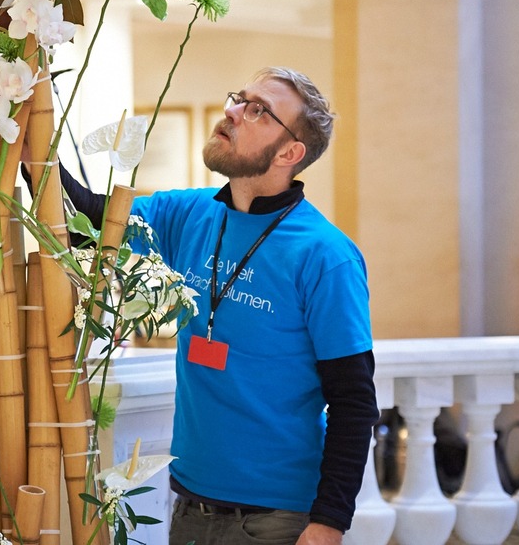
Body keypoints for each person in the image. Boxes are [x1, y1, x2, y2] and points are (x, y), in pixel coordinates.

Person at [60, 67, 377, 544]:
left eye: (257, 111)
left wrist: (329, 522)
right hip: (189, 503)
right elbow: (92, 215)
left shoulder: (325, 255)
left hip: (277, 518)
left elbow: (354, 403)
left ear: (291, 153)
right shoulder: (188, 213)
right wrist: (31, 154)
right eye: (239, 99)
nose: (232, 112)